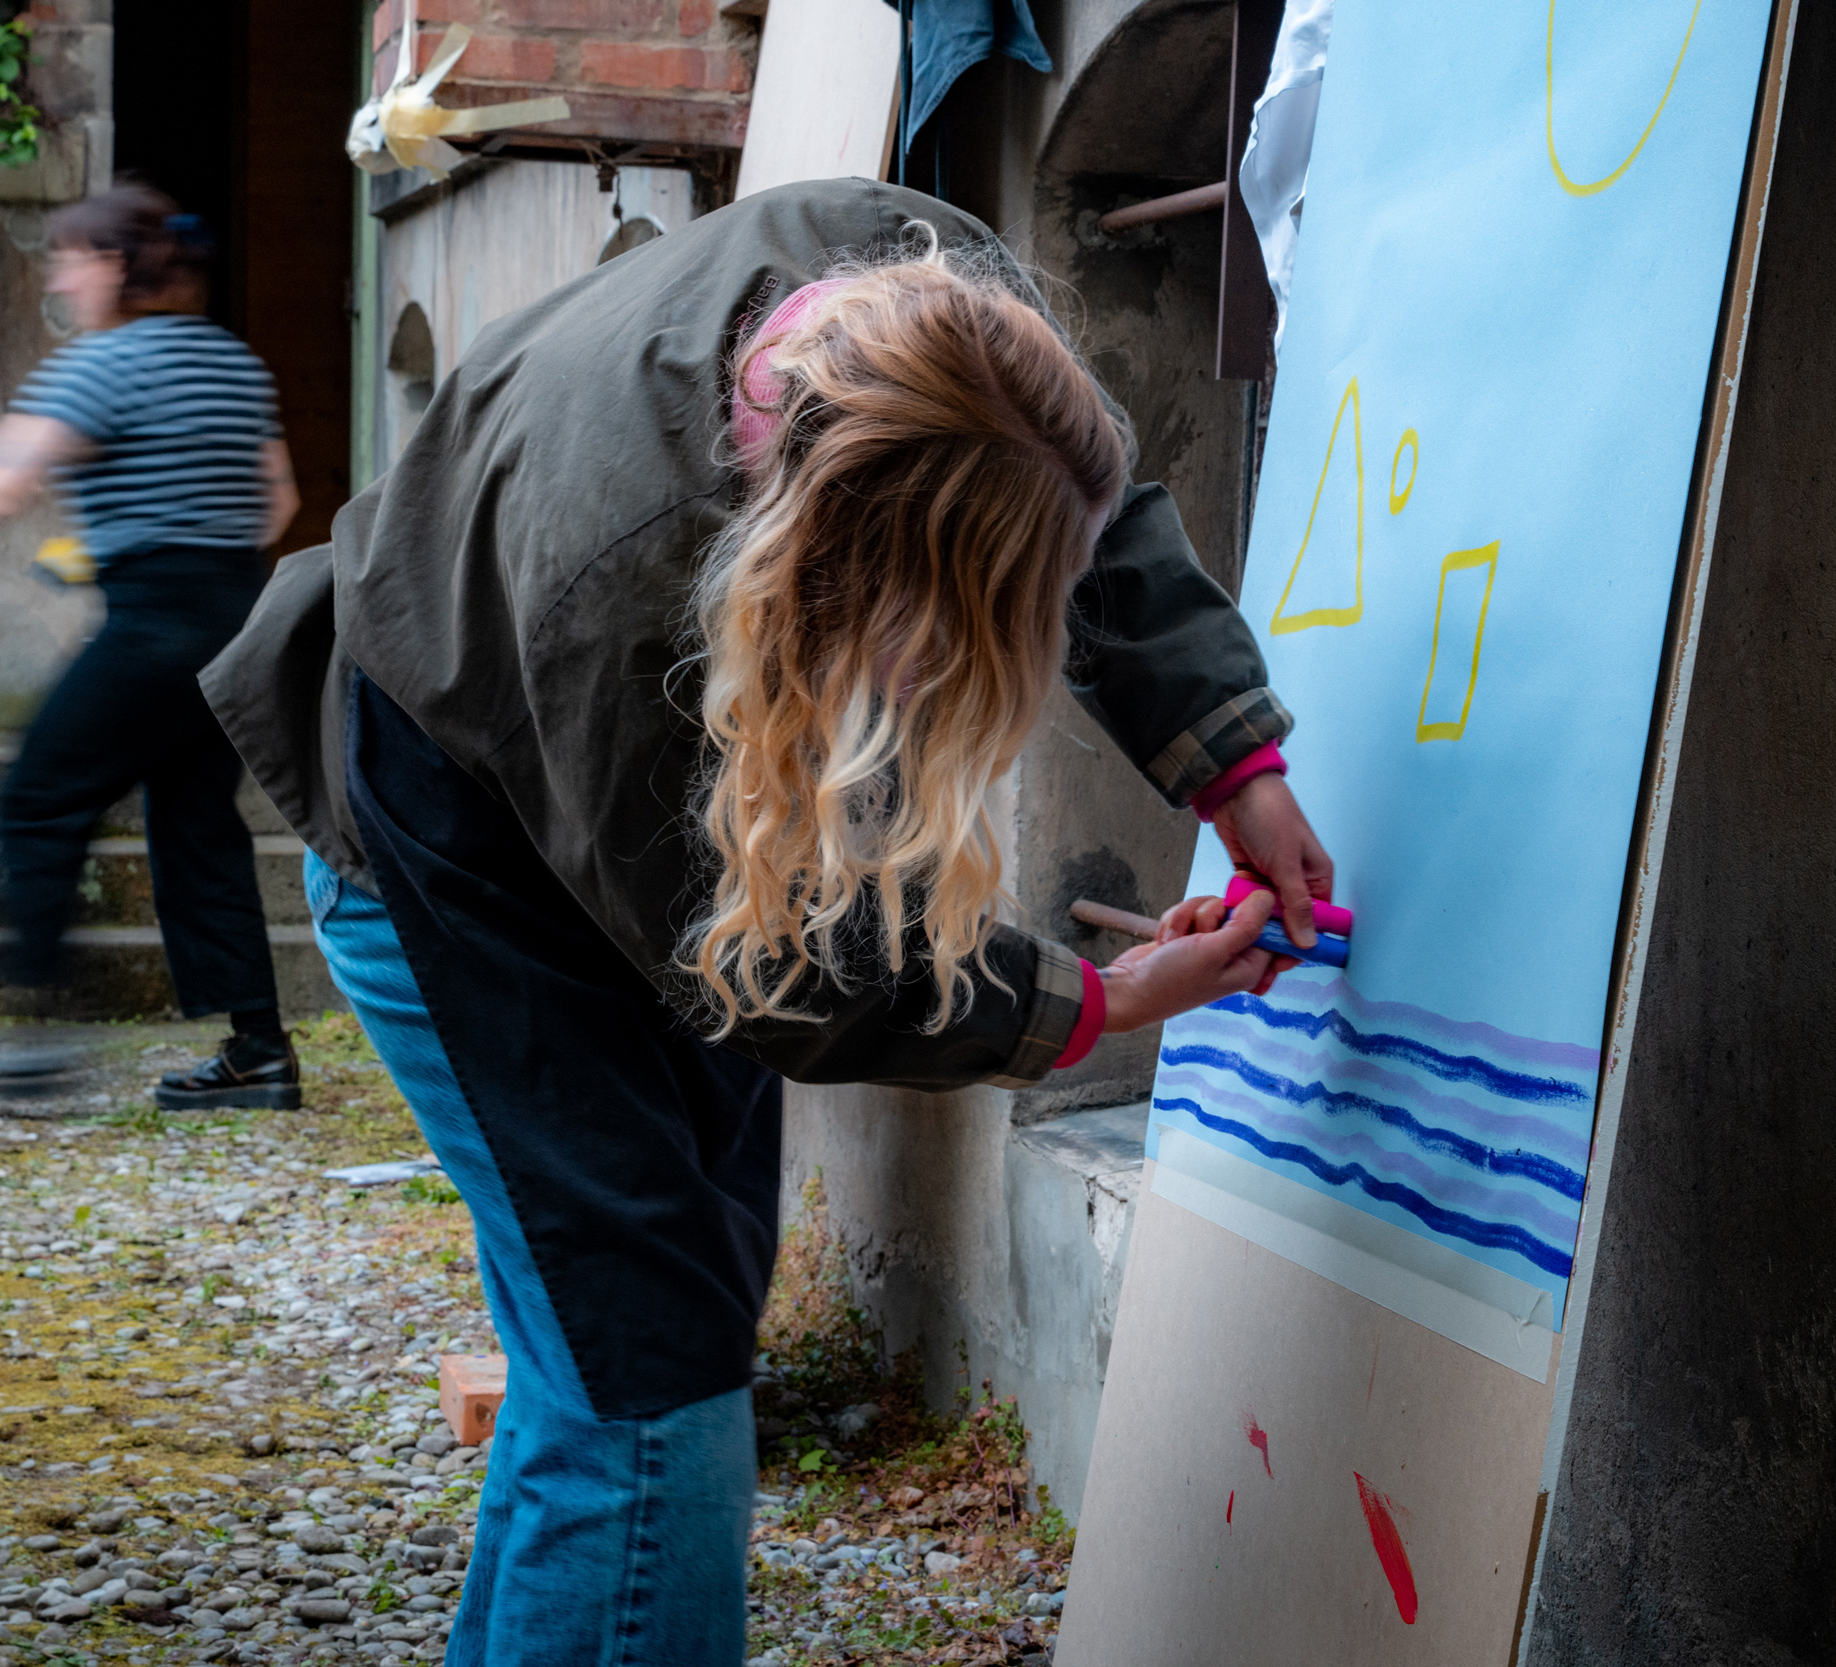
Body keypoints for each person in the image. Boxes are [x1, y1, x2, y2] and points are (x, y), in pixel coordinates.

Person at [201, 179, 1335, 1664]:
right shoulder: (636, 604)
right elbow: (788, 968)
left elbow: (1065, 494)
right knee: (645, 1367)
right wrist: (1106, 1001)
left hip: (583, 777)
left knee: (634, 1326)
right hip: (453, 846)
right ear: (871, 582)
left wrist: (1234, 758)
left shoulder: (928, 292)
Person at [0, 182, 302, 1110]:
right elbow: (278, 505)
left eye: (68, 260)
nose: (59, 280)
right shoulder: (236, 362)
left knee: (36, 804)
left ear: (113, 266)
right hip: (234, 623)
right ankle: (258, 1053)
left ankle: (34, 1054)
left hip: (151, 622)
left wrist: (128, 544)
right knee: (198, 828)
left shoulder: (102, 364)